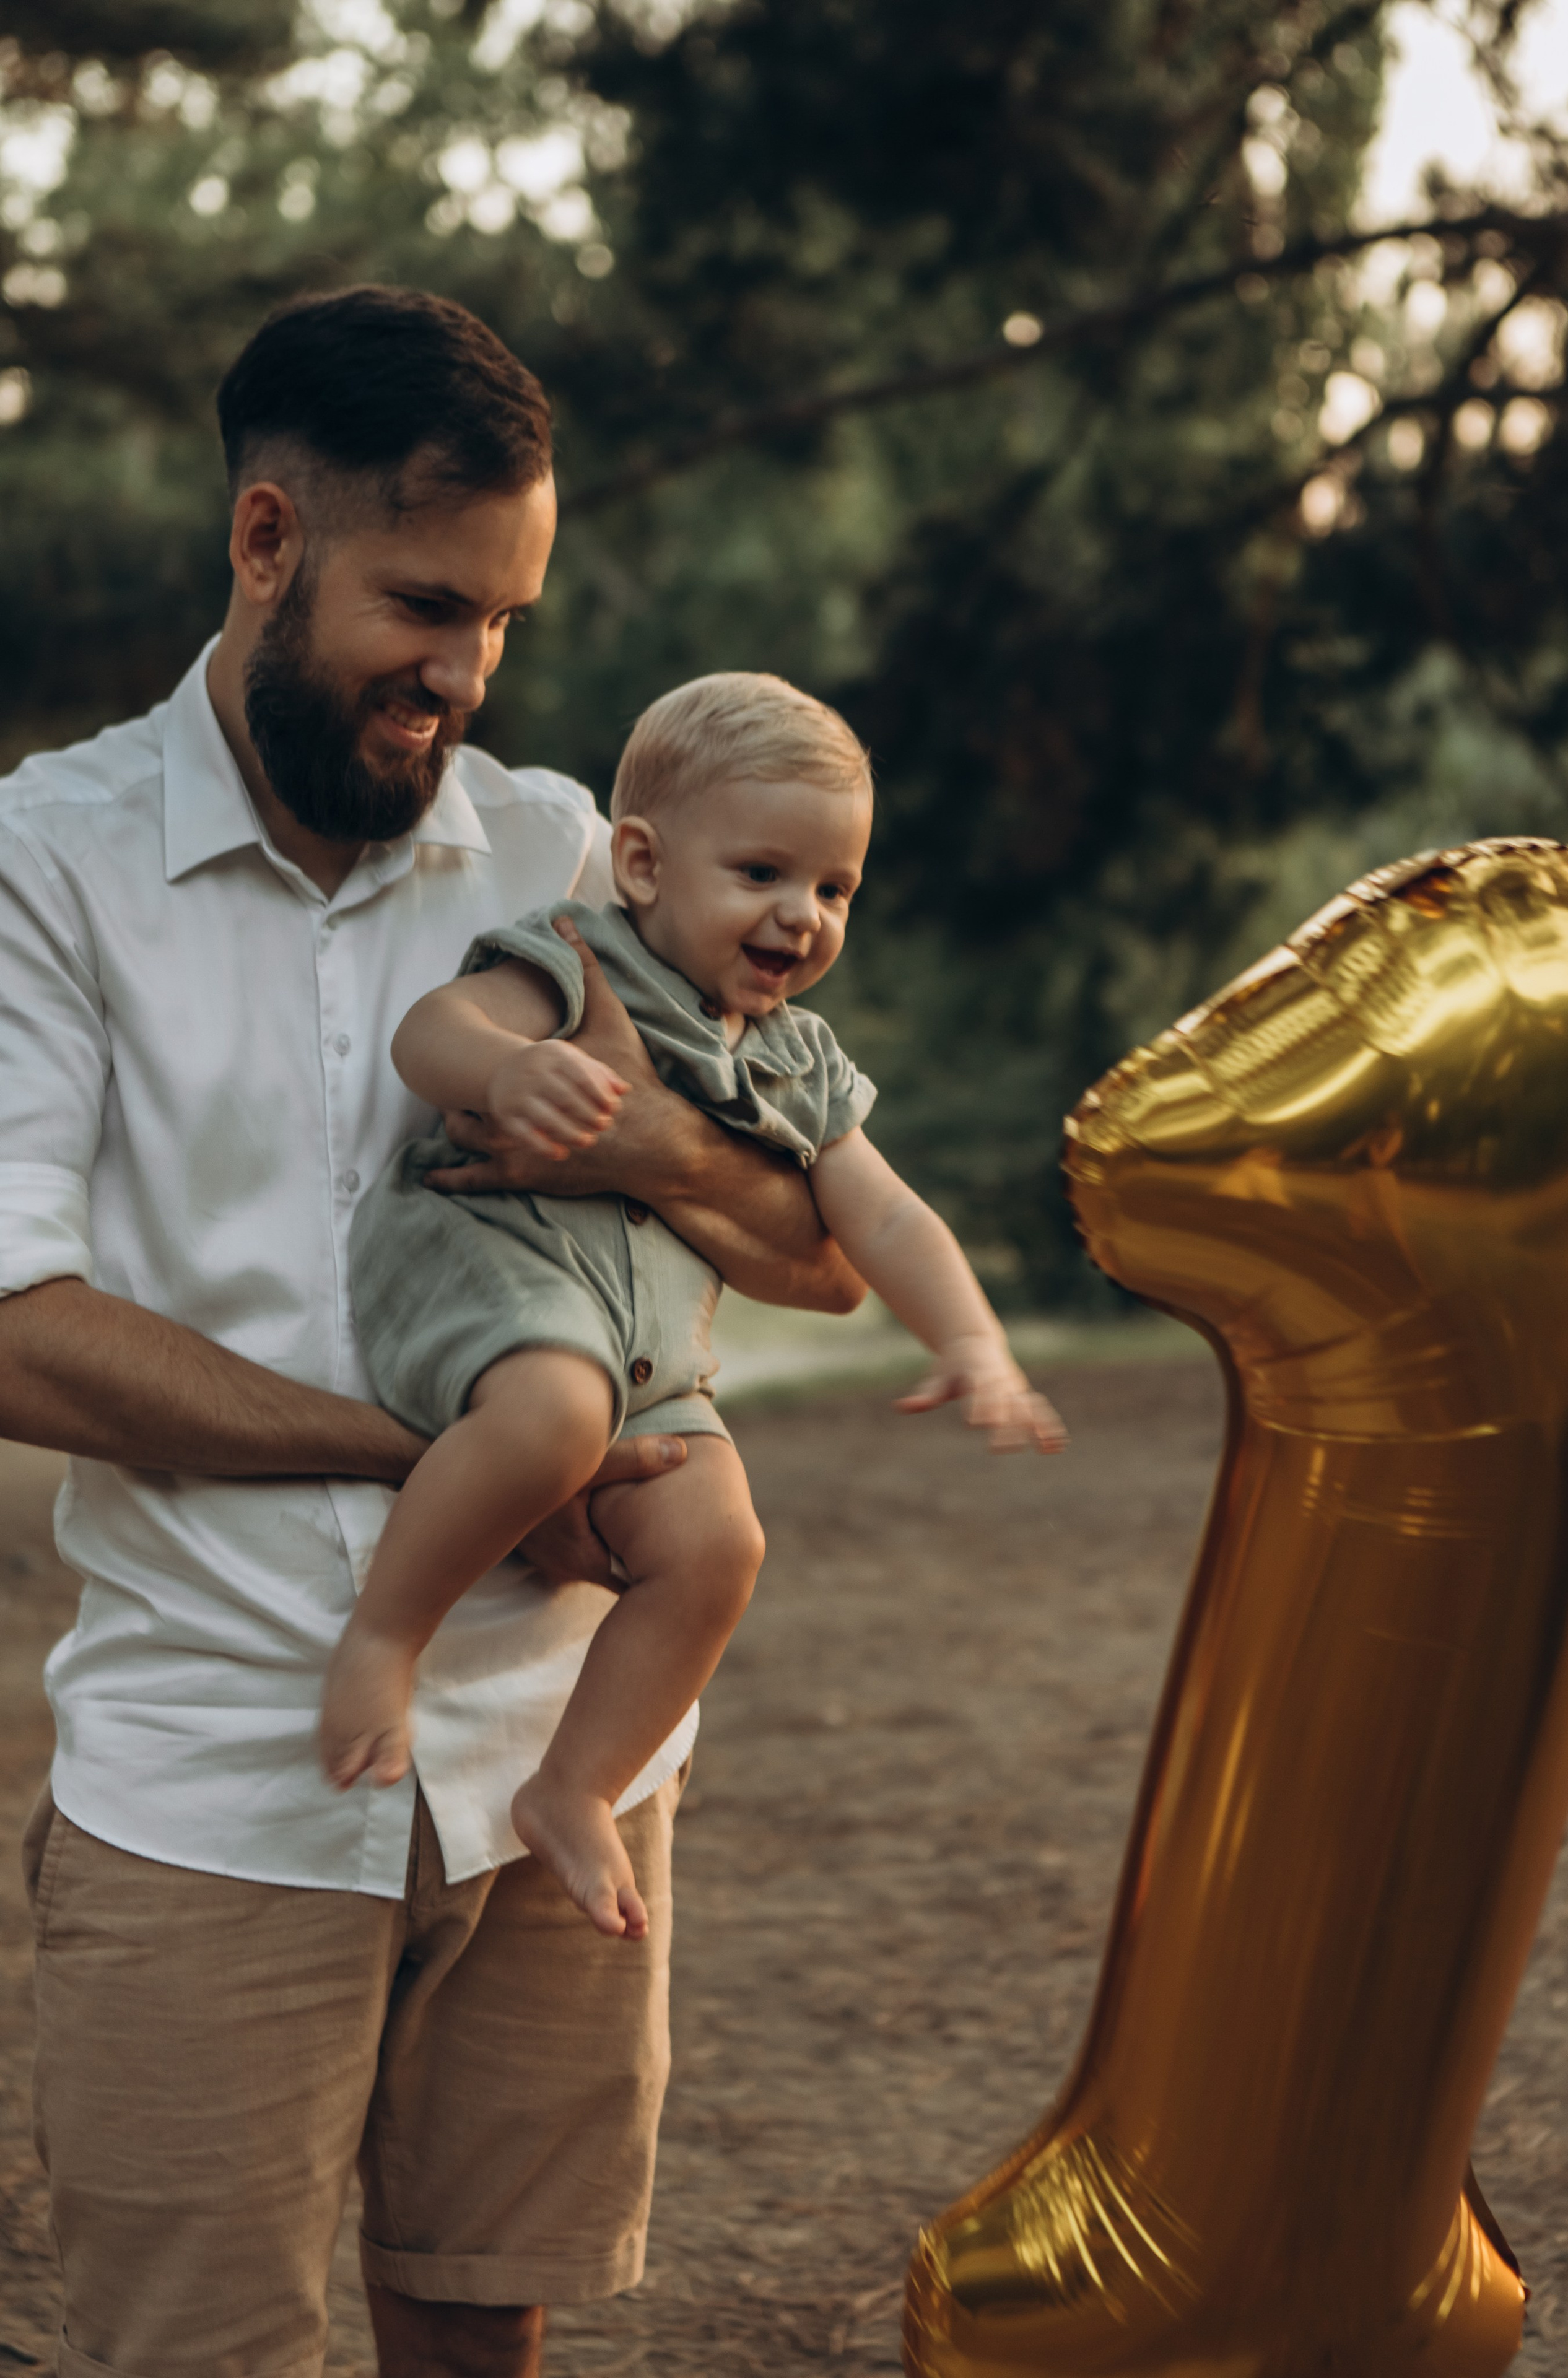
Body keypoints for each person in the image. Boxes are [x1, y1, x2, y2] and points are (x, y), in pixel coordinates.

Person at [1, 285, 864, 2378]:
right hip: (221, 1774)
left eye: (503, 624)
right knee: (189, 2348)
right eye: (424, 607)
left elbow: (818, 1247)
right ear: (269, 539)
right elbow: (18, 1334)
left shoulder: (577, 846)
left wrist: (653, 1140)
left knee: (486, 2329)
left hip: (558, 1760)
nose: (462, 680)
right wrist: (459, 1470)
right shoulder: (48, 861)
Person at [323, 672, 1068, 1938]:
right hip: (499, 1287)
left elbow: (875, 1219)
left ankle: (575, 1786)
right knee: (558, 1412)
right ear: (643, 862)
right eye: (764, 873)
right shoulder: (574, 959)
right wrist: (512, 1074)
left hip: (652, 1354)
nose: (802, 917)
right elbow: (428, 1035)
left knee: (721, 1546)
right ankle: (385, 1640)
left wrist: (972, 1342)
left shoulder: (798, 1058)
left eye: (834, 890)